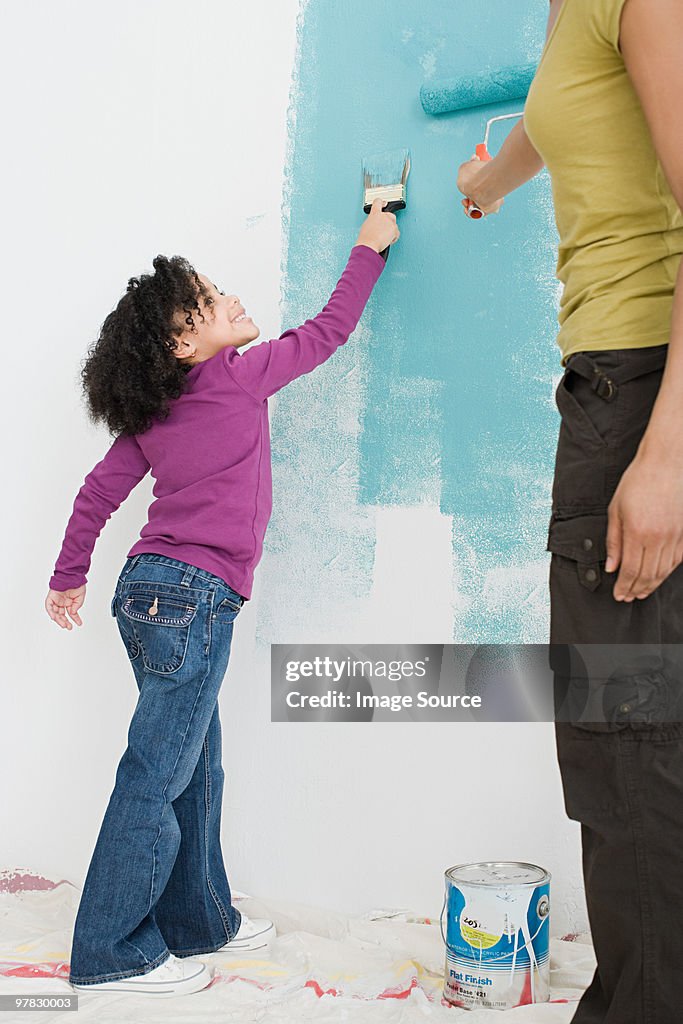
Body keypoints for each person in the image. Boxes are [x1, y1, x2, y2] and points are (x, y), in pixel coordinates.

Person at [45, 197, 399, 997]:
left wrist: (70, 575)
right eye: (211, 301)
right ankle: (110, 952)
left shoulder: (154, 414)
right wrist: (370, 245)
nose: (231, 299)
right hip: (193, 598)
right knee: (157, 774)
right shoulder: (238, 376)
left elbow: (95, 499)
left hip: (149, 594)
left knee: (196, 765)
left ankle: (200, 922)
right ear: (183, 341)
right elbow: (327, 331)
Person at [457, 0, 683, 1020]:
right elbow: (555, 124)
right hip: (622, 385)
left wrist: (664, 455)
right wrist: (486, 184)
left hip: (644, 391)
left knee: (624, 729)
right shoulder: (573, 9)